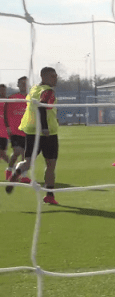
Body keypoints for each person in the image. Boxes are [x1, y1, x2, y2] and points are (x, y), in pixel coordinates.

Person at [6, 67, 61, 205]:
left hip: (31, 131)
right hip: (47, 133)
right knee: (50, 164)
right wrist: (45, 128)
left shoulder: (35, 88)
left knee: (28, 161)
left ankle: (16, 172)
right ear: (44, 77)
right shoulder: (47, 91)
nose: (56, 78)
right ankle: (49, 195)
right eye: (53, 76)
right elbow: (42, 107)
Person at [4, 77, 30, 183]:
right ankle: (10, 170)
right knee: (17, 152)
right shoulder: (12, 98)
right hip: (15, 130)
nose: (24, 85)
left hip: (27, 131)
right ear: (18, 85)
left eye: (26, 83)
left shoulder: (31, 98)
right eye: (22, 83)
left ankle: (23, 175)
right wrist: (8, 127)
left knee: (25, 154)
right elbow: (5, 113)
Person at [0, 85, 10, 171]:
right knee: (2, 154)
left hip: (4, 133)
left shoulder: (8, 102)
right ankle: (16, 169)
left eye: (4, 90)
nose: (3, 92)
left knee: (2, 154)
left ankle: (15, 169)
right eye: (1, 90)